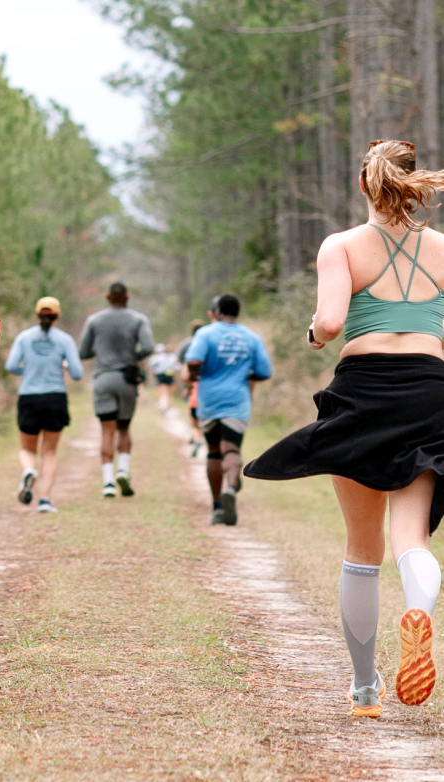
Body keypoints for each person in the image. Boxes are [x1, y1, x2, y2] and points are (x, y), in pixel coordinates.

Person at [244, 139, 444, 718]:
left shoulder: (342, 246)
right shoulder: (441, 248)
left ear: (364, 185)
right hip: (429, 389)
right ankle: (420, 615)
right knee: (413, 538)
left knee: (363, 548)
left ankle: (364, 689)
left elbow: (330, 322)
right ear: (416, 183)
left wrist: (311, 335)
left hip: (364, 390)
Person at [186, 293, 271, 526]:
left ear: (218, 310)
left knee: (213, 451)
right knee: (231, 449)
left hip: (209, 400)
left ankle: (216, 506)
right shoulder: (251, 337)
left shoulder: (206, 333)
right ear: (238, 311)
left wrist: (196, 376)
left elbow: (193, 361)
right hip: (237, 400)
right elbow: (264, 371)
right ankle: (231, 488)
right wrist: (242, 374)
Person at [5, 296, 83, 513]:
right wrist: (62, 367)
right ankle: (45, 500)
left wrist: (28, 370)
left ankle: (29, 470)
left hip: (29, 397)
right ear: (57, 317)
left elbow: (11, 366)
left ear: (38, 315)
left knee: (27, 448)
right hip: (55, 398)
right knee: (49, 452)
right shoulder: (65, 340)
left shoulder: (24, 337)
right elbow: (77, 373)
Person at [79, 282, 154, 498]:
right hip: (127, 379)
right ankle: (123, 469)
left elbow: (83, 352)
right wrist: (133, 356)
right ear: (127, 297)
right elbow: (148, 347)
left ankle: (108, 482)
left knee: (107, 430)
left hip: (103, 378)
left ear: (107, 297)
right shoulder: (139, 319)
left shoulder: (94, 320)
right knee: (123, 428)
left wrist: (102, 351)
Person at [178, 319, 206, 456]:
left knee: (193, 420)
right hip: (208, 391)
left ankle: (196, 437)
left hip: (194, 389)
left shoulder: (187, 344)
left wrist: (187, 389)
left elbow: (184, 373)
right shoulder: (210, 343)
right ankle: (199, 436)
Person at [147, 343, 179, 414]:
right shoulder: (171, 357)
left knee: (163, 392)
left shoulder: (154, 358)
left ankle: (164, 406)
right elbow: (177, 366)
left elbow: (151, 366)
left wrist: (155, 373)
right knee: (169, 393)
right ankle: (168, 407)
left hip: (161, 376)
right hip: (169, 375)